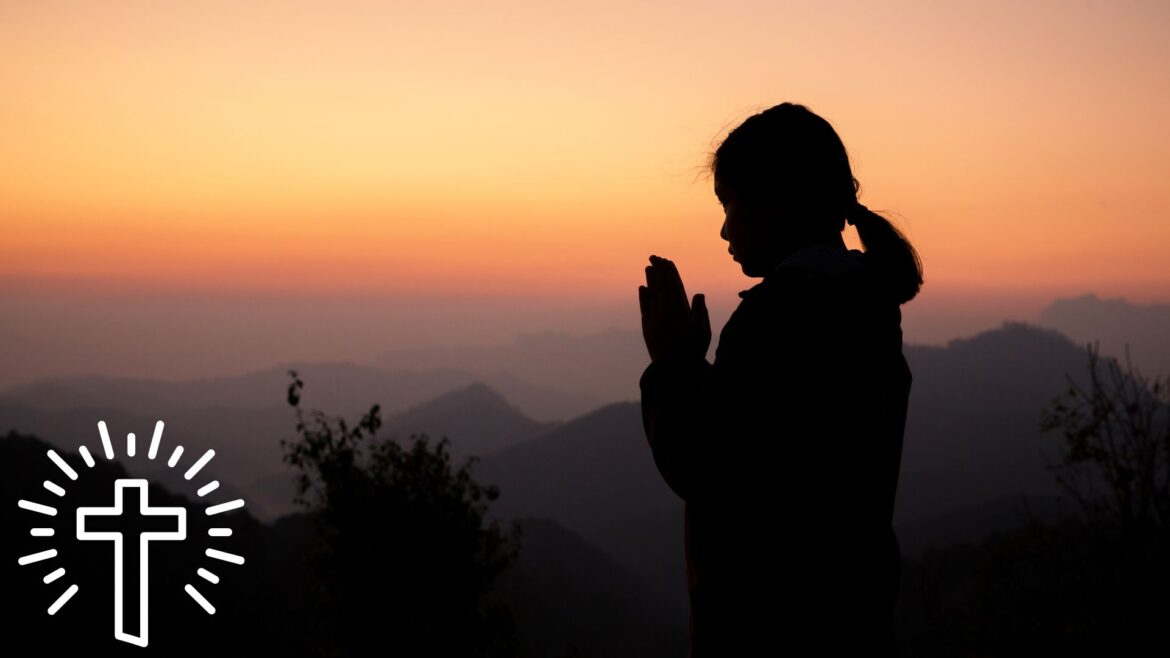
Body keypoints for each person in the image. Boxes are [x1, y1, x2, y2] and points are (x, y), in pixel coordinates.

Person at [637, 102, 922, 656]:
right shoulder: (866, 307)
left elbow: (710, 472)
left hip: (770, 629)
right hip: (853, 619)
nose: (723, 227)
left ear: (773, 198)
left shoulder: (779, 319)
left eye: (729, 203)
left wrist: (672, 364)